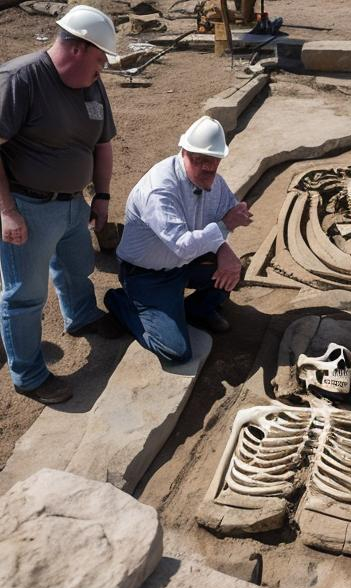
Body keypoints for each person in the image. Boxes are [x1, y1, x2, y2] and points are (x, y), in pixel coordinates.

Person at [0, 5, 122, 405]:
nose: (102, 68)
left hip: (73, 203)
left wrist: (101, 195)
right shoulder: (21, 79)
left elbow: (101, 143)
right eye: (101, 59)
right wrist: (6, 211)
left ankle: (82, 317)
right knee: (24, 296)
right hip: (27, 206)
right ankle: (29, 375)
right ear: (78, 49)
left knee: (76, 269)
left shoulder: (90, 83)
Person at [105, 116, 253, 364]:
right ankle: (121, 302)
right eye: (199, 160)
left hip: (184, 265)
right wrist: (226, 225)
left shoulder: (214, 182)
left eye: (214, 160)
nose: (207, 167)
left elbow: (230, 211)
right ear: (183, 152)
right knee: (175, 351)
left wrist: (225, 251)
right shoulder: (160, 189)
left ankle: (197, 309)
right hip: (147, 275)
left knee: (235, 270)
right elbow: (183, 246)